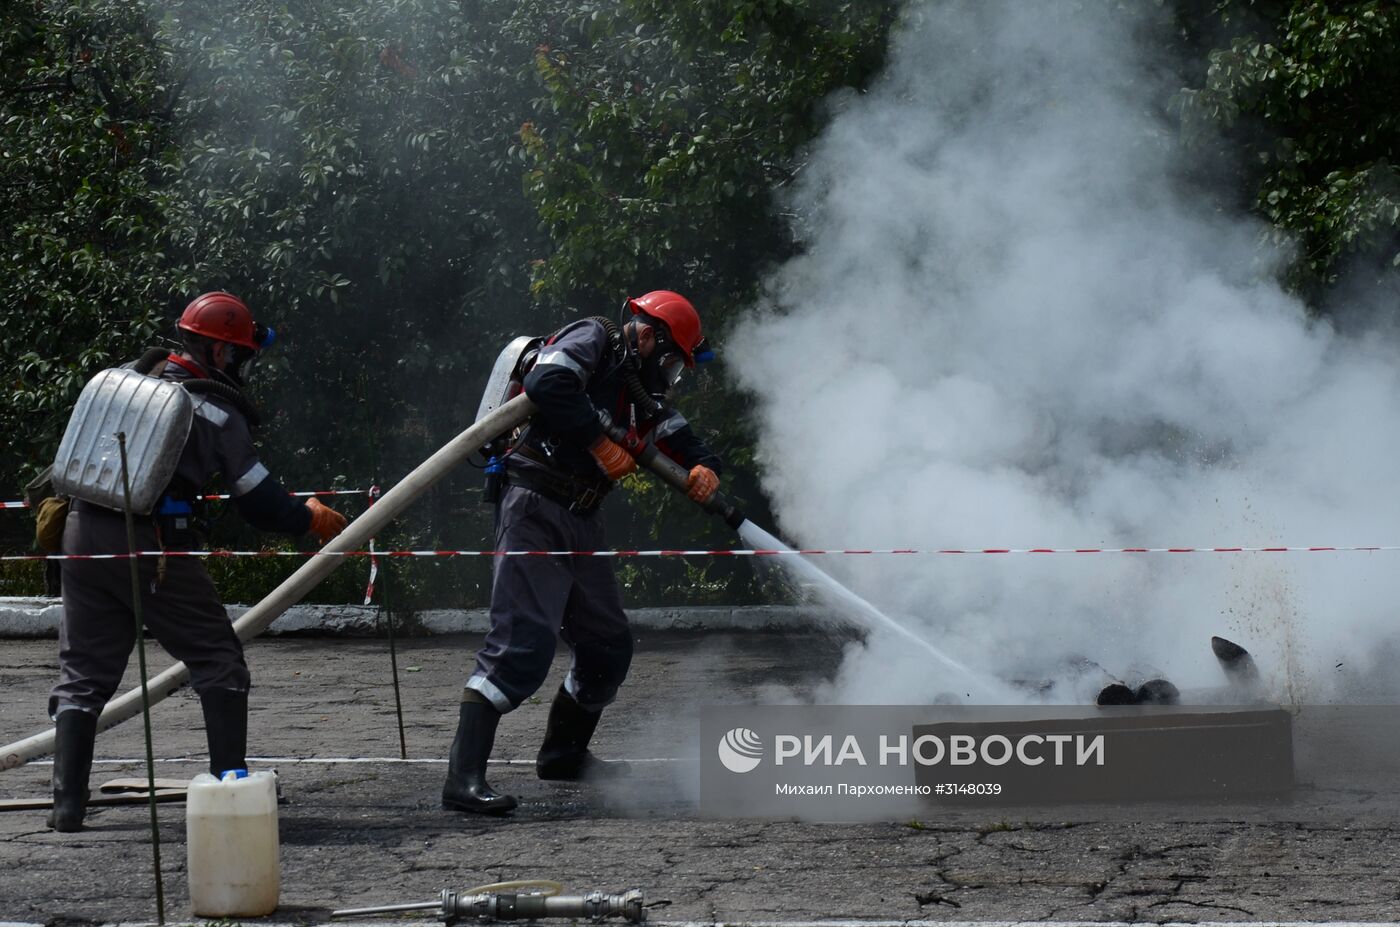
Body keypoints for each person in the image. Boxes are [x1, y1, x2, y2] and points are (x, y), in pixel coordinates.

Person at [46, 291, 348, 832]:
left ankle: (67, 807)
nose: (240, 366)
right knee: (218, 661)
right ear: (219, 353)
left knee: (84, 675)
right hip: (152, 544)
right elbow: (256, 500)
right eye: (239, 355)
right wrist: (308, 519)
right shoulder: (215, 410)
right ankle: (231, 792)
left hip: (80, 533)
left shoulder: (125, 380)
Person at [443, 290, 723, 815]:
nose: (669, 373)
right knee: (522, 645)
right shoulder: (593, 336)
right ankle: (462, 780)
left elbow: (670, 431)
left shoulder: (633, 388)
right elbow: (547, 383)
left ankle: (563, 755)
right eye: (670, 360)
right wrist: (598, 442)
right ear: (648, 335)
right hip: (535, 507)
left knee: (606, 647)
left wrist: (705, 466)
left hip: (581, 515)